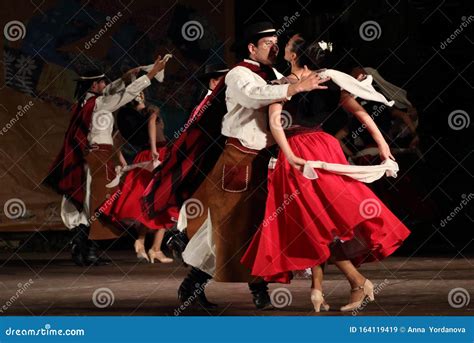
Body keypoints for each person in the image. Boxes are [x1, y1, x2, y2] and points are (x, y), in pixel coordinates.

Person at [241, 33, 411, 312]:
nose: (280, 48)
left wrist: (291, 155)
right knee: (317, 223)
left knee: (315, 223)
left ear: (294, 56)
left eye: (284, 46)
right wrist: (383, 145)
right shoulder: (329, 79)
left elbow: (275, 124)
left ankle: (354, 282)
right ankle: (321, 289)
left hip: (301, 152)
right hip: (323, 147)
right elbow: (362, 114)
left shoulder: (282, 85)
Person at [166, 22, 330, 310]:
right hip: (238, 160)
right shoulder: (239, 74)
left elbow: (290, 85)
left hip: (263, 161)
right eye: (268, 43)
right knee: (228, 228)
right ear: (252, 48)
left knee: (258, 226)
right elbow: (254, 97)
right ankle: (195, 284)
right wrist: (295, 86)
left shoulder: (273, 74)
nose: (275, 47)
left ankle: (257, 286)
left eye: (277, 43)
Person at [44, 55, 169, 266]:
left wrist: (129, 75)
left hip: (87, 156)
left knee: (87, 202)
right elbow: (123, 95)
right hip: (97, 156)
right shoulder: (100, 104)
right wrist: (150, 74)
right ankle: (89, 251)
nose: (105, 84)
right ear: (94, 85)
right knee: (99, 202)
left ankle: (81, 249)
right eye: (101, 81)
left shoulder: (83, 102)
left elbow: (113, 89)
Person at [104, 103, 176, 263]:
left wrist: (123, 162)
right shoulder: (152, 114)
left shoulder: (139, 122)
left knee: (151, 204)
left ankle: (145, 244)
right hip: (157, 156)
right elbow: (151, 121)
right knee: (163, 203)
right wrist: (153, 149)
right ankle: (154, 248)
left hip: (147, 156)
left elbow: (115, 139)